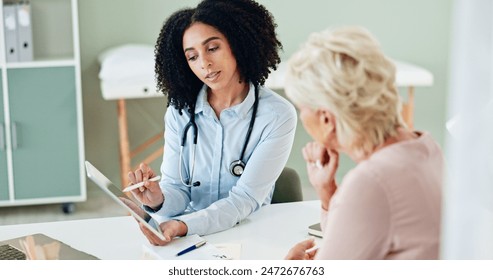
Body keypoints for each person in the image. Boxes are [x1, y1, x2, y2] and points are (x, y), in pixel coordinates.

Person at [124, 0, 297, 246]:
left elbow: (243, 200)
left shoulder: (277, 116)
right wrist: (157, 199)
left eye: (213, 48)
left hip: (248, 234)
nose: (204, 63)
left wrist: (184, 226)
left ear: (237, 43)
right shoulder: (180, 110)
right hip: (189, 238)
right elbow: (177, 189)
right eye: (192, 57)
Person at [283, 26, 443, 259]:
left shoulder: (372, 182)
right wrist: (328, 192)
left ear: (327, 119)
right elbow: (359, 240)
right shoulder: (425, 146)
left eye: (302, 109)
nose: (301, 117)